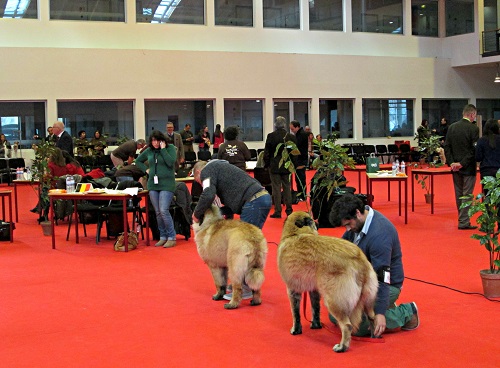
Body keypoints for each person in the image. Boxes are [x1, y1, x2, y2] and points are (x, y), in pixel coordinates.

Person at [329, 194, 419, 337]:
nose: (347, 229)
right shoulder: (358, 224)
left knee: (357, 326)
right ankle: (381, 307)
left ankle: (406, 312)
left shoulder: (380, 235)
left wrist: (381, 313)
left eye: (348, 224)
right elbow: (343, 248)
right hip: (363, 283)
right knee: (336, 315)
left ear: (357, 213)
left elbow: (383, 277)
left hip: (387, 284)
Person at [192, 160, 271, 229]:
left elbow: (208, 195)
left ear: (199, 172)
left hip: (254, 201)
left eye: (199, 181)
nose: (201, 184)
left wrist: (196, 214)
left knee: (243, 241)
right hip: (261, 197)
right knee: (251, 241)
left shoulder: (207, 171)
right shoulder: (220, 168)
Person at [135, 131, 177, 248]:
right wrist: (146, 170)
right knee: (158, 212)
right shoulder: (149, 150)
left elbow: (170, 163)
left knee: (164, 210)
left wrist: (163, 150)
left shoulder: (171, 148)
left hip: (167, 184)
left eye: (157, 140)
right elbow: (138, 160)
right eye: (153, 140)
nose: (155, 143)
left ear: (162, 140)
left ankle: (171, 237)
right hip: (153, 185)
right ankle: (163, 236)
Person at [444, 104, 479, 230]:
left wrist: (453, 162)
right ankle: (463, 221)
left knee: (459, 194)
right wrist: (462, 163)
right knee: (467, 195)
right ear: (472, 115)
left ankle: (462, 218)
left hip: (455, 167)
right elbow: (473, 150)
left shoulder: (452, 127)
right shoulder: (473, 128)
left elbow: (446, 147)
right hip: (468, 167)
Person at [263, 116, 296, 218]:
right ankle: (289, 209)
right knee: (287, 187)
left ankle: (277, 211)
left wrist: (266, 164)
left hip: (274, 166)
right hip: (286, 165)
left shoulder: (271, 136)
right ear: (285, 124)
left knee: (276, 188)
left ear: (275, 125)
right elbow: (294, 152)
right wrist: (293, 165)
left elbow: (267, 152)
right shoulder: (290, 137)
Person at [476, 118, 500, 189]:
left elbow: (478, 157)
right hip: (499, 170)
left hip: (486, 171)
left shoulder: (481, 140)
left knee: (487, 194)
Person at [289, 120, 309, 201]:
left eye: (292, 129)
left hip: (301, 159)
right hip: (301, 158)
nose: (292, 131)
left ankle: (302, 195)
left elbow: (297, 147)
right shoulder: (300, 134)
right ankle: (301, 194)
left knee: (300, 178)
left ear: (297, 127)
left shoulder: (301, 135)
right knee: (299, 178)